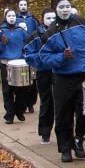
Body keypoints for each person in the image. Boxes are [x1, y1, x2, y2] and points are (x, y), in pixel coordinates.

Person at [39, 0, 85, 162]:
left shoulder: (84, 23)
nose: (65, 9)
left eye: (67, 6)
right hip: (62, 78)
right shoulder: (50, 32)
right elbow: (44, 57)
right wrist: (62, 57)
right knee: (63, 114)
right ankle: (65, 148)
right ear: (55, 9)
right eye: (61, 7)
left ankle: (79, 139)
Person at [24, 9, 57, 144]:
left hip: (59, 72)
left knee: (62, 103)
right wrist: (43, 60)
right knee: (46, 102)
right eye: (48, 18)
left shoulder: (61, 33)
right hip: (44, 72)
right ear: (42, 19)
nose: (51, 20)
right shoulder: (35, 36)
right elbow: (27, 54)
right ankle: (45, 132)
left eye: (53, 18)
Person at [0, 9, 30, 124]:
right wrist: (1, 43)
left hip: (20, 64)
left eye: (13, 15)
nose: (12, 17)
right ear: (5, 17)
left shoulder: (21, 31)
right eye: (9, 15)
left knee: (22, 90)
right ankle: (9, 114)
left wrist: (26, 54)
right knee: (7, 90)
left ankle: (19, 111)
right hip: (6, 64)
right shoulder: (0, 31)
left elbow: (28, 44)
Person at [17, 0, 40, 114]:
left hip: (32, 53)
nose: (23, 6)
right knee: (23, 80)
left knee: (33, 81)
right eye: (21, 5)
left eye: (25, 4)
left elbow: (38, 31)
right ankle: (23, 104)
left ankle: (31, 103)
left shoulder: (32, 19)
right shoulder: (15, 19)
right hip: (20, 55)